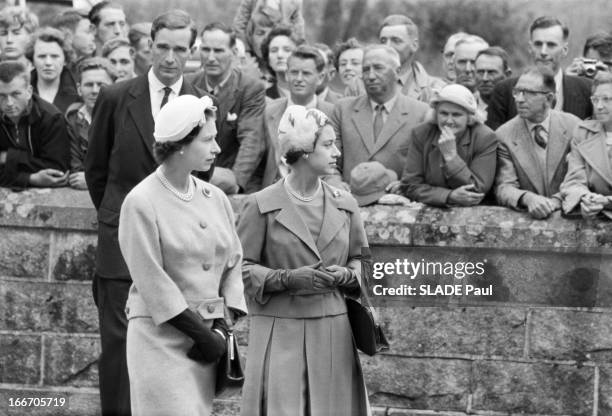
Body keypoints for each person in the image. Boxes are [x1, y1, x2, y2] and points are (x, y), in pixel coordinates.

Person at [84, 10, 207, 416]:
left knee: (176, 350)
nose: (170, 58)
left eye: (180, 49)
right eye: (163, 47)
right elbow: (96, 171)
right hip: (121, 246)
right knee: (119, 349)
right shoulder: (116, 97)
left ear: (191, 52)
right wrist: (124, 219)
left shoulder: (203, 103)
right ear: (149, 46)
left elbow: (198, 176)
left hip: (179, 249)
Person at [118, 94, 246, 416]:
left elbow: (233, 263)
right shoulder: (141, 201)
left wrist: (220, 326)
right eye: (208, 140)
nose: (217, 148)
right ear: (180, 145)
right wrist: (202, 334)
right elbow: (151, 280)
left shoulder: (215, 197)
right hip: (159, 341)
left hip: (205, 344)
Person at [238, 105, 370, 416]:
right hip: (279, 330)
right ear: (304, 152)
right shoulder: (260, 205)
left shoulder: (346, 204)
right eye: (327, 144)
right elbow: (238, 270)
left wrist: (347, 276)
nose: (336, 151)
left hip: (334, 330)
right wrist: (287, 279)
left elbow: (365, 263)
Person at [331, 45, 428, 185]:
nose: (370, 76)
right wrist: (336, 184)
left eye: (378, 68)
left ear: (397, 71)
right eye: (365, 70)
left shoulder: (421, 113)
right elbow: (330, 162)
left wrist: (406, 186)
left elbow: (425, 169)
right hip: (350, 199)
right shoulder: (342, 109)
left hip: (399, 201)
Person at [187, 22, 266, 194]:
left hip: (229, 179)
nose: (211, 57)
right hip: (190, 176)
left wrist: (236, 183)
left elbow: (251, 140)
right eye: (206, 50)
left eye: (219, 51)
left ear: (234, 52)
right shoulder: (188, 84)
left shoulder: (250, 88)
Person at [495, 67, 580, 219]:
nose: (519, 99)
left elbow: (581, 177)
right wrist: (528, 198)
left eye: (528, 93)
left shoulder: (573, 126)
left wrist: (556, 200)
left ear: (548, 98)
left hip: (569, 217)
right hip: (528, 221)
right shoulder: (504, 135)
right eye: (517, 92)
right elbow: (503, 187)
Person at [399, 84, 497, 206]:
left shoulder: (485, 137)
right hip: (432, 208)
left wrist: (451, 157)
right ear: (435, 114)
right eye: (444, 113)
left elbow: (477, 191)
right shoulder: (422, 134)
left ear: (470, 118)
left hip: (474, 213)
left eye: (456, 115)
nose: (449, 121)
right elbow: (409, 185)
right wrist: (448, 196)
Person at [487, 16, 592, 130]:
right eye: (538, 44)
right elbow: (495, 141)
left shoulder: (587, 89)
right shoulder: (504, 90)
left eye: (551, 45)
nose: (543, 52)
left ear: (565, 50)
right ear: (530, 48)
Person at [260, 44, 334, 188]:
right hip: (274, 193)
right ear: (287, 74)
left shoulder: (333, 113)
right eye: (294, 72)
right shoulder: (269, 111)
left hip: (317, 196)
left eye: (306, 73)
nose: (299, 79)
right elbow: (257, 161)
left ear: (320, 77)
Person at [0, 61, 70, 188]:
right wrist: (30, 179)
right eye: (2, 96)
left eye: (15, 94)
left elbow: (57, 170)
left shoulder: (51, 118)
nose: (9, 103)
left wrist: (10, 157)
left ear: (29, 91)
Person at [561, 72, 612, 219]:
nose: (599, 106)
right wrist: (585, 198)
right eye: (595, 100)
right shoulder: (583, 133)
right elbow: (573, 180)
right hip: (596, 216)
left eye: (607, 99)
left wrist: (606, 201)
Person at [66, 57, 116, 190]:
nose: (95, 90)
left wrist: (91, 180)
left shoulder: (123, 118)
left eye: (101, 85)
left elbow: (124, 167)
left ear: (114, 87)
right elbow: (75, 166)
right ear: (79, 89)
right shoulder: (72, 119)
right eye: (89, 84)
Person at [377, 14, 445, 102]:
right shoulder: (360, 84)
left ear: (414, 45)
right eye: (383, 41)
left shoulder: (436, 89)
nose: (387, 46)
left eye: (396, 41)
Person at [27, 27, 80, 113]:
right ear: (32, 59)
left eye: (54, 56)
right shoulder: (21, 89)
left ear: (65, 60)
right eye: (42, 56)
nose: (48, 62)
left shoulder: (78, 92)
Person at [232, 0, 304, 60]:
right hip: (255, 40)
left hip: (279, 38)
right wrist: (247, 51)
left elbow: (298, 28)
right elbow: (239, 25)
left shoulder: (295, 2)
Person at [261, 24, 302, 99]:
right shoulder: (262, 99)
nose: (279, 55)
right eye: (274, 50)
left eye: (287, 50)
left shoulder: (314, 95)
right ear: (268, 59)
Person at [453, 35, 489, 115]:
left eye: (473, 62)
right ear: (453, 64)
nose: (468, 69)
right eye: (462, 62)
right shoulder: (440, 97)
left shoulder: (499, 102)